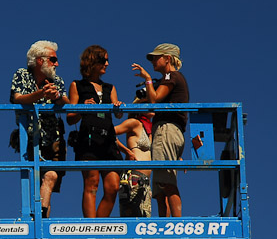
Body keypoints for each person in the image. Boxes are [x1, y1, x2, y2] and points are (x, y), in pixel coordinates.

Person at [10, 40, 70, 218]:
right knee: (41, 181)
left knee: (50, 178)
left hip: (52, 139)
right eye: (53, 59)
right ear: (39, 60)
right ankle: (40, 218)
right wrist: (42, 94)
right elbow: (18, 98)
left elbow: (68, 105)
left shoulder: (56, 80)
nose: (57, 64)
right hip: (29, 136)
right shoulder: (22, 75)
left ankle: (41, 218)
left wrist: (57, 96)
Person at [131, 43, 189, 217]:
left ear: (168, 58)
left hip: (166, 130)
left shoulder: (172, 75)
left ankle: (176, 224)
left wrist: (148, 79)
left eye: (157, 57)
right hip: (168, 130)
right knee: (160, 188)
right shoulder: (171, 78)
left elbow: (154, 101)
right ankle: (165, 223)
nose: (153, 61)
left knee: (167, 182)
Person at [66, 45, 122, 218]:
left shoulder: (110, 88)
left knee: (113, 186)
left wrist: (118, 108)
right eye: (103, 60)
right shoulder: (77, 85)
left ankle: (99, 225)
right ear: (93, 61)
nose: (107, 63)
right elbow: (70, 118)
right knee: (92, 183)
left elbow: (118, 115)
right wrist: (83, 108)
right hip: (88, 140)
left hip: (108, 140)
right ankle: (91, 228)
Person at [115, 110, 153, 217]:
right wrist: (127, 151)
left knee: (144, 223)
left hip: (146, 182)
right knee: (130, 217)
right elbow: (109, 132)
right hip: (134, 178)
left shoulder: (150, 129)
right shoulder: (134, 123)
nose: (151, 107)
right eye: (147, 103)